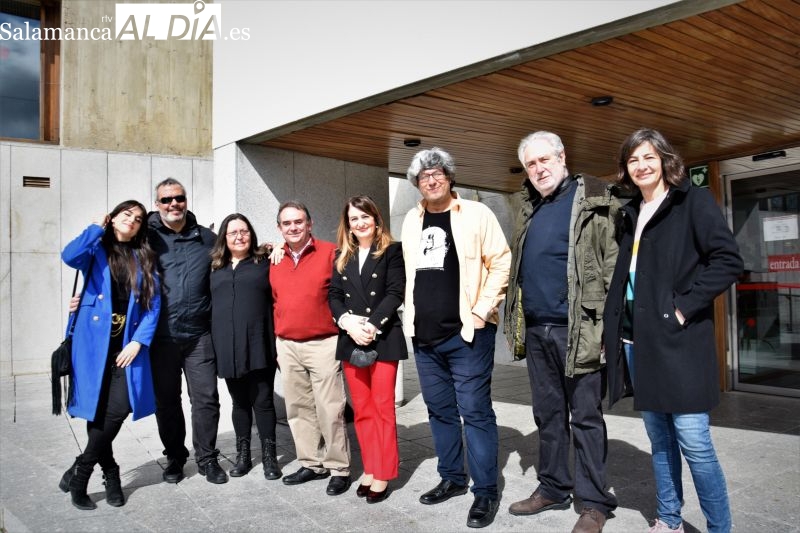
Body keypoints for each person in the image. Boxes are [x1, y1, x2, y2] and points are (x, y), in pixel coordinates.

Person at [604, 129, 743, 533]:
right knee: (660, 440)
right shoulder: (630, 212)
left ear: (665, 160)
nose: (641, 166)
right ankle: (668, 518)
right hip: (637, 341)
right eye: (633, 160)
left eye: (649, 157)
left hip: (680, 342)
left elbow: (727, 260)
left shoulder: (692, 201)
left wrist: (682, 308)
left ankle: (719, 528)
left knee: (694, 442)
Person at [503, 131, 620, 533]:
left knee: (586, 417)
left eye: (544, 160)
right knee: (548, 414)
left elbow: (611, 267)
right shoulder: (529, 207)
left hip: (581, 328)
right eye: (531, 164)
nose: (539, 169)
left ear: (562, 157)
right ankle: (553, 487)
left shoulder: (594, 201)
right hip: (538, 329)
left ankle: (594, 502)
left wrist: (607, 328)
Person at [401, 147, 511, 529]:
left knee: (475, 412)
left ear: (449, 177)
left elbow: (501, 261)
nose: (431, 180)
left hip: (467, 335)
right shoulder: (411, 220)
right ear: (417, 183)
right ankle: (452, 477)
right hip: (424, 338)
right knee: (440, 411)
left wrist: (482, 311)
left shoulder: (476, 214)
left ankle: (486, 491)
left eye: (438, 173)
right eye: (424, 176)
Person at [58, 200, 161, 510]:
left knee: (120, 407)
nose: (132, 220)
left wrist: (138, 342)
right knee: (97, 410)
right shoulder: (95, 249)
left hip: (125, 347)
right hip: (92, 345)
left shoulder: (144, 257)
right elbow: (69, 255)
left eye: (139, 218)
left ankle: (80, 471)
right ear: (113, 218)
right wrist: (95, 227)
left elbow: (153, 305)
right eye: (126, 214)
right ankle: (111, 473)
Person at [147, 178, 226, 484]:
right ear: (157, 204)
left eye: (178, 198)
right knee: (167, 402)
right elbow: (118, 266)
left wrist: (268, 250)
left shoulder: (206, 238)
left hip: (198, 335)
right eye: (166, 200)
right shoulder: (146, 238)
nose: (173, 204)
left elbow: (236, 259)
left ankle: (207, 458)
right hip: (161, 338)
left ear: (186, 200)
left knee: (206, 399)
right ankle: (175, 458)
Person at [328, 196, 406, 504]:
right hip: (351, 338)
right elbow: (334, 295)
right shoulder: (341, 255)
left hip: (383, 337)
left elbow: (395, 292)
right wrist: (347, 323)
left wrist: (371, 325)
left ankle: (384, 472)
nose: (360, 223)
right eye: (354, 218)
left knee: (382, 407)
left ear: (376, 219)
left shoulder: (392, 251)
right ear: (347, 225)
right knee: (362, 409)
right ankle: (371, 467)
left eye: (365, 216)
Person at [270, 201, 352, 495]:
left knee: (330, 408)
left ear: (309, 224)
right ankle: (311, 463)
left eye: (298, 222)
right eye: (287, 223)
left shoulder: (331, 253)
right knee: (298, 408)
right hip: (287, 344)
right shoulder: (274, 258)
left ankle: (339, 468)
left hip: (324, 343)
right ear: (279, 228)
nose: (293, 227)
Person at [210, 213, 281, 480]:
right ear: (224, 238)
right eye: (233, 232)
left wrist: (279, 247)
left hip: (259, 341)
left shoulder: (265, 261)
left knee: (263, 401)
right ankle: (243, 456)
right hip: (227, 344)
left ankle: (269, 457)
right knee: (239, 402)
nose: (239, 236)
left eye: (244, 231)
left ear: (251, 234)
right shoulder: (214, 267)